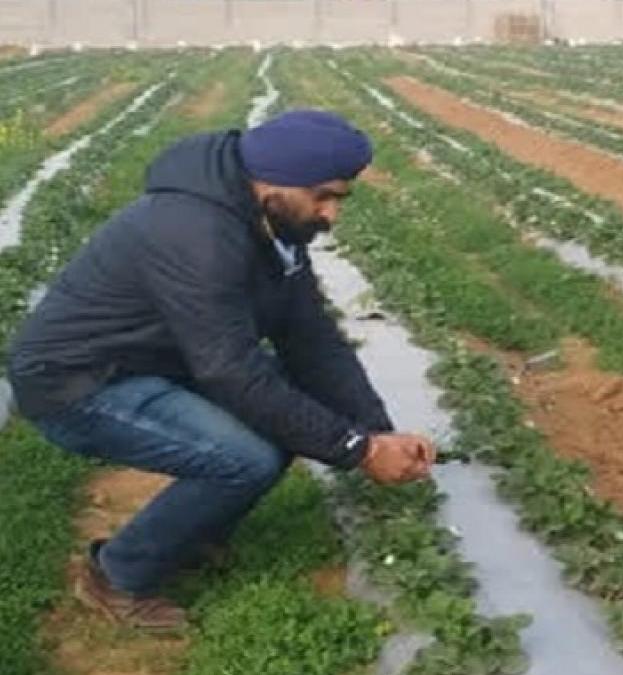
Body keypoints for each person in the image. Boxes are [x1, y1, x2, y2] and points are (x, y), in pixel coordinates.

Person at [6, 109, 435, 632]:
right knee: (245, 459)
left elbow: (310, 337)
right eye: (323, 196)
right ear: (273, 183)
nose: (330, 214)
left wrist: (376, 430)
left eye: (339, 198)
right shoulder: (198, 235)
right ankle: (116, 575)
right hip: (77, 382)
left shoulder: (274, 223)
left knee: (283, 415)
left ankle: (190, 533)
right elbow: (229, 371)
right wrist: (360, 452)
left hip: (155, 359)